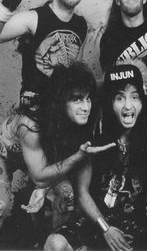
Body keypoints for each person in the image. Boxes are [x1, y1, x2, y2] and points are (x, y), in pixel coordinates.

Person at [44, 63, 147, 251]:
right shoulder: (94, 139)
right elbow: (82, 192)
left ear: (143, 103)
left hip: (138, 223)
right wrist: (105, 228)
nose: (128, 106)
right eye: (120, 98)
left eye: (134, 97)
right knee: (55, 243)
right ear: (109, 103)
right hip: (97, 221)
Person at [0, 62, 115, 240]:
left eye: (88, 98)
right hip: (5, 156)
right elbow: (39, 176)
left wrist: (44, 189)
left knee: (67, 196)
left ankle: (50, 241)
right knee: (2, 206)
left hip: (38, 159)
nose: (86, 106)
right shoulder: (31, 125)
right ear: (60, 101)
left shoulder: (81, 117)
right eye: (77, 99)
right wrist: (78, 157)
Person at [0, 0, 90, 109]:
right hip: (34, 110)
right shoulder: (34, 18)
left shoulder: (81, 25)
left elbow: (75, 70)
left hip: (63, 111)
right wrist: (5, 9)